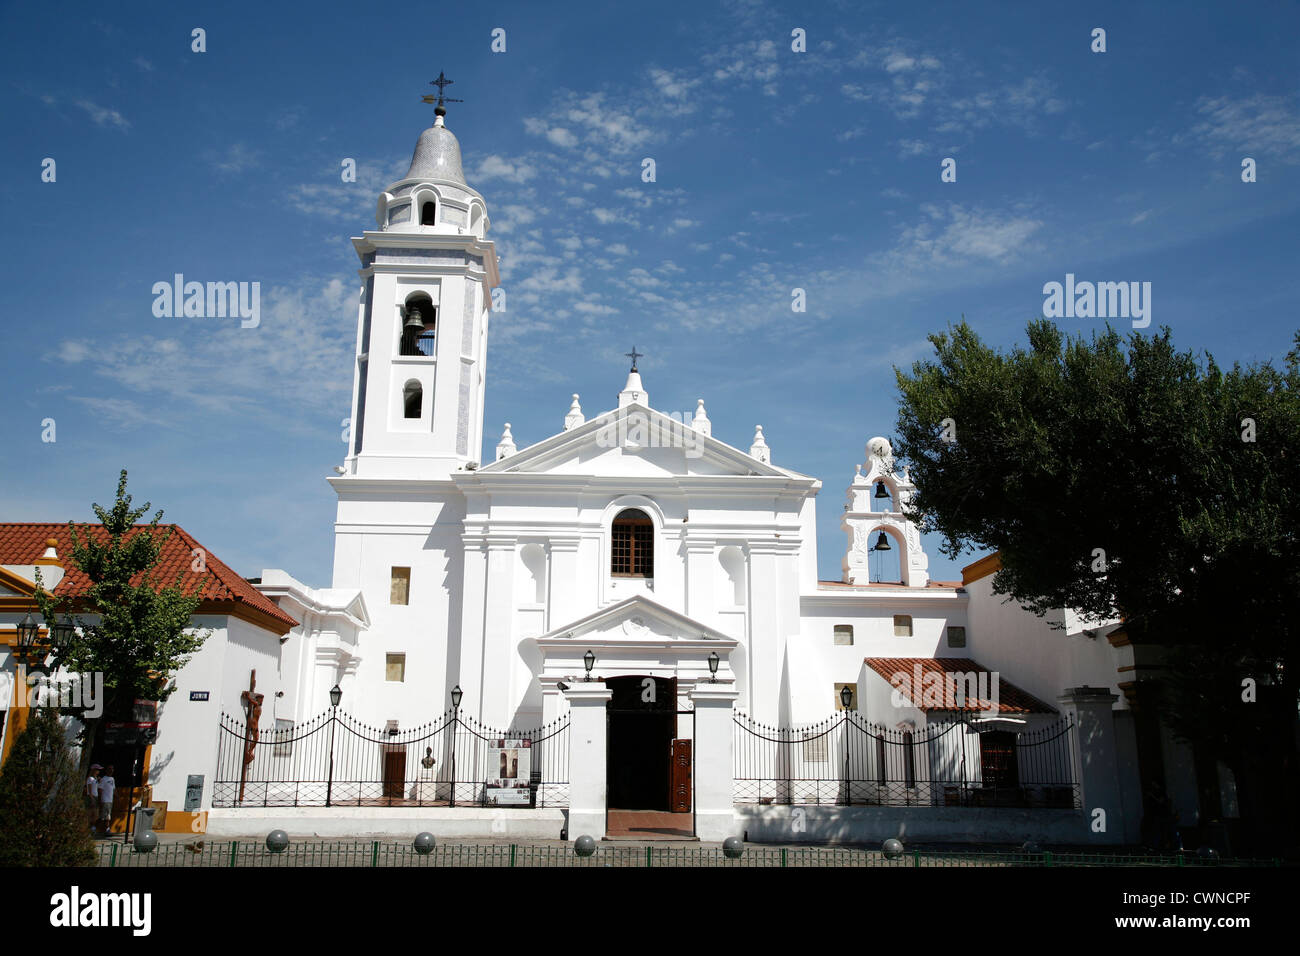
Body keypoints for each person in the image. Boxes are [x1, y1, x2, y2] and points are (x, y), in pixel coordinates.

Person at [98, 765, 116, 834]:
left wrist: (117, 797)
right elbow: (100, 789)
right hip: (105, 800)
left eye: (112, 769)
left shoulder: (112, 779)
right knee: (102, 817)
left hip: (110, 800)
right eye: (109, 769)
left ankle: (107, 830)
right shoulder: (104, 779)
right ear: (106, 770)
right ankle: (93, 828)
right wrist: (100, 800)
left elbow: (114, 789)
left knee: (108, 816)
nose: (111, 770)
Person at [84, 765, 101, 833]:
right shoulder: (90, 779)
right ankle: (88, 828)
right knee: (90, 813)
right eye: (97, 770)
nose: (98, 771)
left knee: (95, 814)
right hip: (91, 797)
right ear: (94, 770)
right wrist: (92, 798)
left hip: (96, 797)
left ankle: (92, 827)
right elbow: (90, 790)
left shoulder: (95, 779)